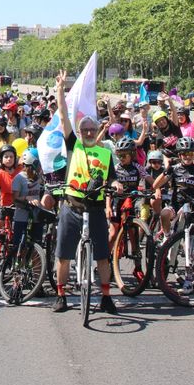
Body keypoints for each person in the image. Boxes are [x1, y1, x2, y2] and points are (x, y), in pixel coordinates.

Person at [50, 70, 118, 315]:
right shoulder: (73, 145)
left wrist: (116, 185)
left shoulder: (105, 154)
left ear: (98, 130)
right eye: (85, 129)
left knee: (102, 257)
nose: (89, 132)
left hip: (96, 209)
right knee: (63, 255)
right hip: (72, 206)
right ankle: (61, 295)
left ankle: (107, 297)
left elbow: (113, 179)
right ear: (79, 133)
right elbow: (63, 116)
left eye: (93, 129)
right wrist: (60, 89)